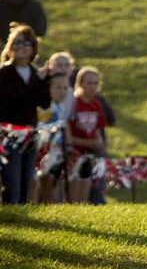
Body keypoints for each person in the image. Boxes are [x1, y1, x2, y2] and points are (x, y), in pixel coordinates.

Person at [0, 24, 52, 204]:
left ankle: (22, 216)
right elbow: (10, 101)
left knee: (26, 179)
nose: (21, 47)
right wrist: (37, 81)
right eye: (17, 42)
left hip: (30, 132)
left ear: (33, 47)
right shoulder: (4, 73)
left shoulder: (34, 72)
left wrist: (45, 81)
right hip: (9, 133)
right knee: (12, 180)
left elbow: (44, 103)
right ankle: (11, 216)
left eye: (25, 43)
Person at [66, 66, 107, 203]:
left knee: (85, 193)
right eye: (89, 83)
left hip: (89, 154)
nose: (93, 87)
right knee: (73, 196)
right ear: (80, 83)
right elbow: (68, 138)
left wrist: (95, 144)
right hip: (73, 154)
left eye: (96, 83)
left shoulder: (96, 105)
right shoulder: (73, 104)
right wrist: (90, 143)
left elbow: (98, 136)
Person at [35, 73, 72, 203]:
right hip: (44, 150)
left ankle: (48, 207)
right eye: (58, 87)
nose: (62, 91)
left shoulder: (61, 107)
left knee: (51, 181)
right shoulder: (44, 108)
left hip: (57, 151)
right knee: (42, 180)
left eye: (65, 88)